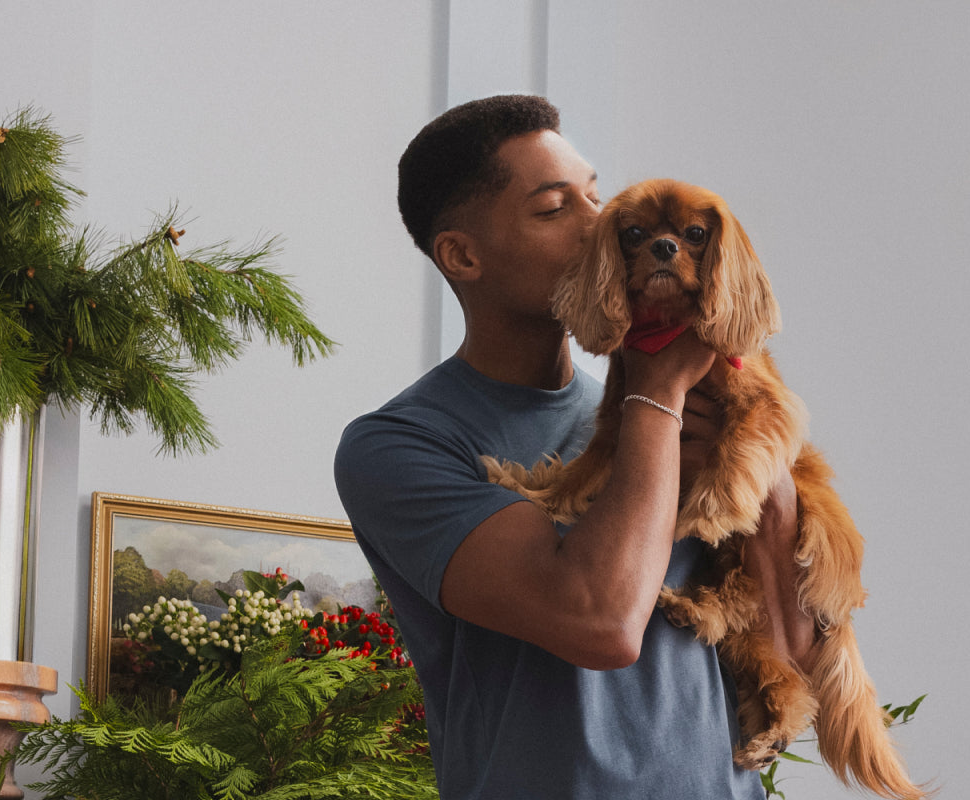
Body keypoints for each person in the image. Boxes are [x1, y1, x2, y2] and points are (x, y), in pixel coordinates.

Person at [333, 95, 817, 799]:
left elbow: (786, 670)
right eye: (556, 207)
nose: (604, 224)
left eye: (596, 196)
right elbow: (601, 623)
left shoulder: (672, 411)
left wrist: (768, 487)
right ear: (463, 254)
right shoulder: (401, 447)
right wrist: (656, 394)